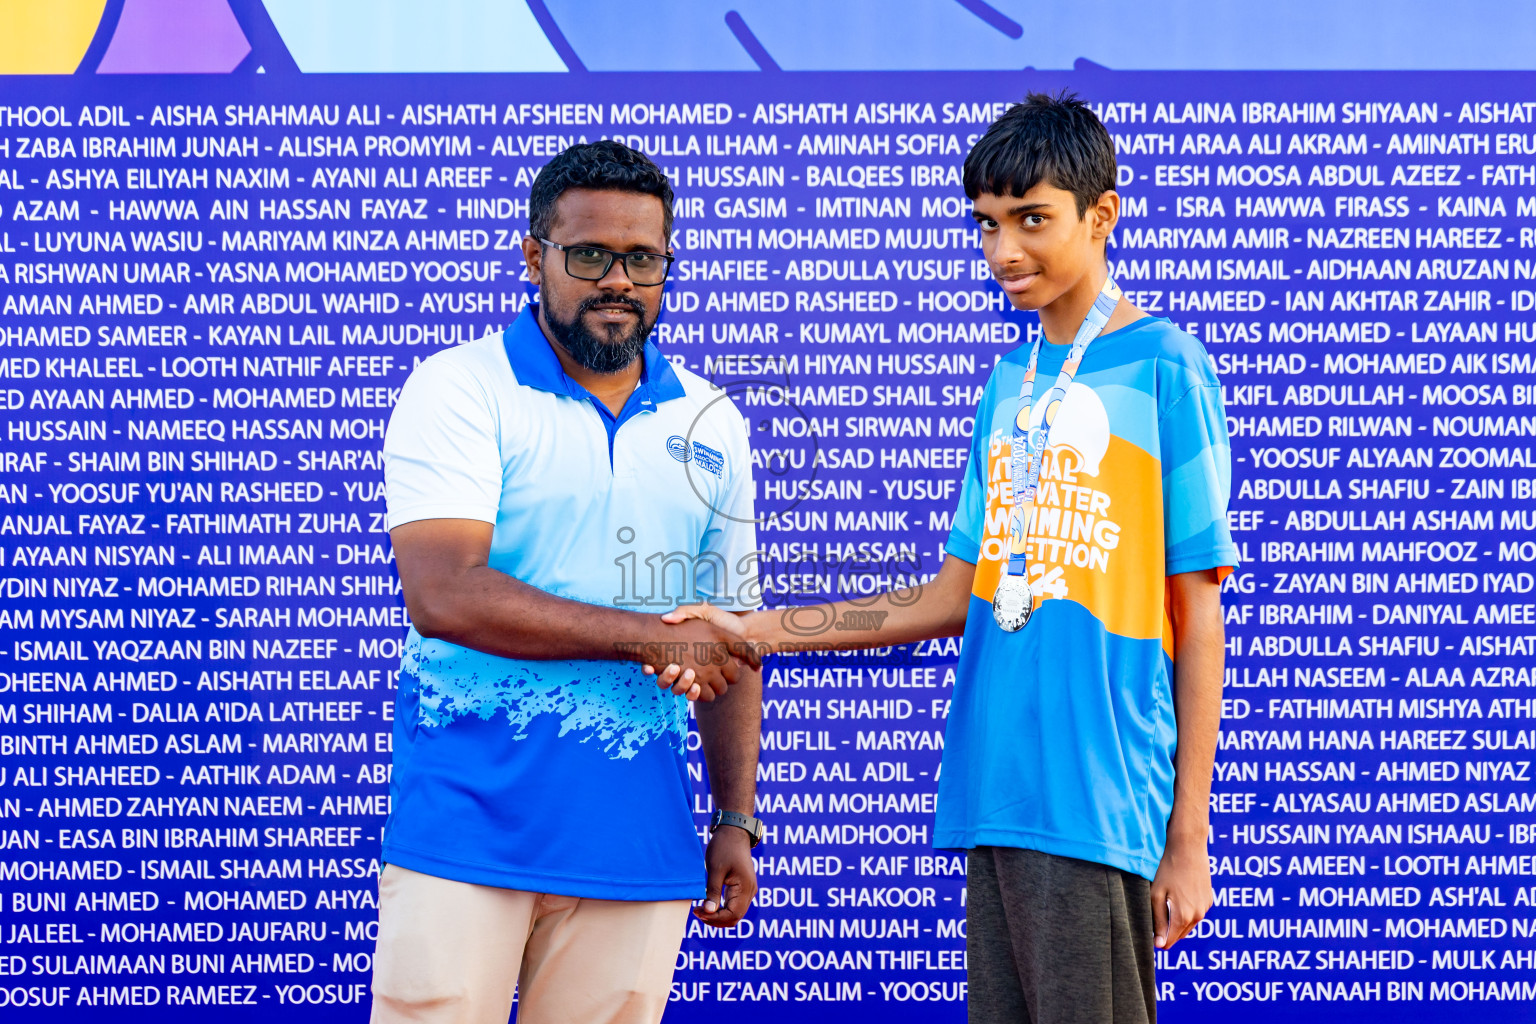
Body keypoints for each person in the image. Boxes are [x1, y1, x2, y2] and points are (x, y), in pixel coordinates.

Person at [654, 93, 1237, 1024]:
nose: (1005, 251)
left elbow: (1197, 608)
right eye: (988, 225)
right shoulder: (1011, 380)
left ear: (1103, 213)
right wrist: (747, 627)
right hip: (995, 788)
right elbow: (946, 599)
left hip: (1098, 798)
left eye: (1033, 220)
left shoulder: (1167, 364)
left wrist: (1190, 835)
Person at [373, 140, 767, 1024]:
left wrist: (735, 818)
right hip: (466, 836)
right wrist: (647, 636)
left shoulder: (712, 419)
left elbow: (732, 636)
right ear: (534, 256)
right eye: (589, 255)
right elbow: (445, 594)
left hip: (640, 844)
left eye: (643, 258)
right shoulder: (460, 388)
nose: (618, 279)